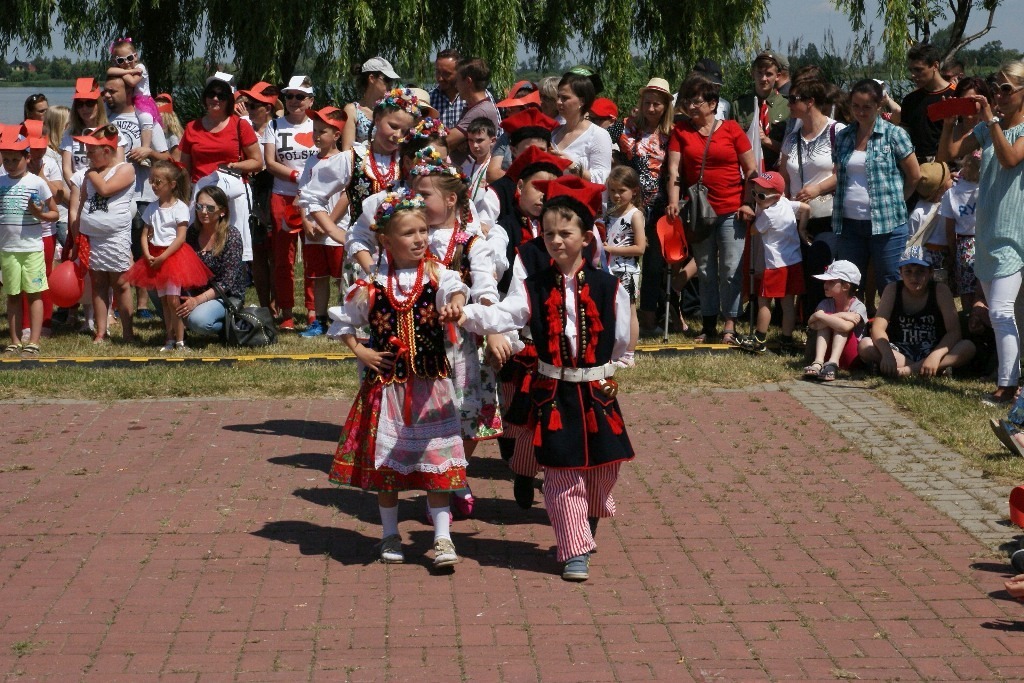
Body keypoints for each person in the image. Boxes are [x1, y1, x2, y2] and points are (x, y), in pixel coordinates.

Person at [461, 175, 633, 582]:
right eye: (549, 233)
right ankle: (574, 549)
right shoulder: (531, 287)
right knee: (560, 471)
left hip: (596, 390)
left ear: (586, 238)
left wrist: (611, 368)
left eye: (565, 233)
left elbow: (623, 337)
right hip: (554, 391)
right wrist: (465, 315)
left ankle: (587, 521)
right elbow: (503, 315)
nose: (556, 240)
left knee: (604, 469)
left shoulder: (610, 287)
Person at [327, 189, 471, 569]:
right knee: (387, 468)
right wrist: (361, 351)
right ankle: (389, 533)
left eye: (423, 230)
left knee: (438, 463)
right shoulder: (372, 284)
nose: (419, 239)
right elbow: (343, 321)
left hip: (431, 390)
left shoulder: (437, 275)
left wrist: (456, 304)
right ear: (386, 241)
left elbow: (455, 290)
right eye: (409, 233)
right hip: (387, 390)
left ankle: (442, 538)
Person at [939, 61, 1024, 405]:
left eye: (1006, 89)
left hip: (1014, 234)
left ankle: (1007, 386)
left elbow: (1009, 159)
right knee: (1010, 314)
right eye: (996, 87)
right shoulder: (990, 128)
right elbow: (948, 154)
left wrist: (990, 120)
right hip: (986, 231)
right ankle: (1013, 383)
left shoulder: (1010, 129)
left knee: (1000, 311)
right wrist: (949, 124)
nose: (998, 95)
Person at [666, 73, 757, 345]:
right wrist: (673, 201)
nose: (690, 106)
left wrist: (748, 202)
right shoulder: (680, 132)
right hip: (699, 212)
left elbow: (751, 170)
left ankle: (730, 323)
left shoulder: (732, 129)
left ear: (713, 104)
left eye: (696, 101)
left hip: (732, 209)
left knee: (731, 268)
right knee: (705, 268)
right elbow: (674, 170)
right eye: (687, 101)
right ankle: (708, 324)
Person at [298, 87, 420, 274]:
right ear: (377, 119)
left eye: (404, 131)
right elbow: (312, 195)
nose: (397, 135)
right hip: (361, 253)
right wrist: (333, 231)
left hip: (403, 256)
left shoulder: (408, 161)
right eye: (393, 126)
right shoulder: (353, 158)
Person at [833, 79, 921, 296]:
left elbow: (914, 176)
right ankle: (856, 318)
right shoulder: (843, 136)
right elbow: (838, 175)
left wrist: (896, 201)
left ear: (879, 106)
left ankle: (891, 319)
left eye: (866, 107)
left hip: (887, 225)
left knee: (890, 281)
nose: (860, 112)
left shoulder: (894, 135)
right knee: (849, 282)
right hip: (849, 224)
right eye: (855, 106)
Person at [121, 161, 211, 351]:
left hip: (173, 257)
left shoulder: (180, 208)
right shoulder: (152, 208)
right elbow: (144, 234)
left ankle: (180, 340)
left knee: (173, 300)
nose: (154, 186)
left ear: (172, 184)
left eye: (158, 182)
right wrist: (147, 254)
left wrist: (163, 257)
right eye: (152, 181)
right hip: (155, 255)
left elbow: (180, 238)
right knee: (163, 301)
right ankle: (169, 338)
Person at [103, 74, 172, 318]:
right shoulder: (105, 118)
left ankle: (142, 305)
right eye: (105, 91)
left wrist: (148, 152)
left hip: (143, 194)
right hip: (113, 194)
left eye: (112, 91)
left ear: (129, 92)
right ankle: (115, 304)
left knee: (142, 248)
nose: (107, 95)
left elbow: (167, 157)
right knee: (116, 250)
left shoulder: (146, 118)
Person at [778, 77, 845, 320]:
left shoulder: (838, 132)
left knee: (820, 264)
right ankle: (802, 320)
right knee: (800, 268)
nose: (788, 104)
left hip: (827, 215)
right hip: (795, 217)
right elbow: (783, 177)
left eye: (793, 99)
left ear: (810, 102)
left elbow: (846, 172)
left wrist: (818, 188)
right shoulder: (791, 137)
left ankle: (820, 320)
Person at [179, 74, 263, 263]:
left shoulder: (240, 125)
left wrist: (236, 166)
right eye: (211, 94)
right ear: (205, 98)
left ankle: (234, 279)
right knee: (201, 247)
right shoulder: (192, 127)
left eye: (221, 95)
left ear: (229, 100)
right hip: (201, 194)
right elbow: (184, 169)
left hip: (232, 194)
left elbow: (257, 162)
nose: (215, 99)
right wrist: (183, 199)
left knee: (232, 248)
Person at [66, 124, 137, 344]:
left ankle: (127, 332)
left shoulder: (125, 169)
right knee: (98, 284)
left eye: (91, 152)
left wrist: (90, 174)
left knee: (120, 284)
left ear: (107, 150)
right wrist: (77, 236)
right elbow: (83, 202)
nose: (87, 157)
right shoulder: (92, 174)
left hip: (115, 237)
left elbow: (105, 190)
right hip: (92, 236)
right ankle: (101, 331)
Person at [858, 246, 975, 377]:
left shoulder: (941, 291)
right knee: (865, 345)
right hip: (899, 351)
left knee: (967, 347)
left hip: (932, 349)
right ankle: (927, 369)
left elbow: (954, 332)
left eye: (920, 272)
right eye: (908, 272)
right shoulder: (892, 290)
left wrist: (935, 355)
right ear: (900, 272)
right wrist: (887, 354)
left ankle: (906, 371)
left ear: (930, 272)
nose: (914, 277)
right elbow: (878, 328)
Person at [618, 77, 675, 336]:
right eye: (647, 103)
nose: (651, 108)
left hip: (659, 206)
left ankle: (649, 320)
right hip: (629, 205)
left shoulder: (672, 133)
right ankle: (622, 316)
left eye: (657, 104)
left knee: (653, 265)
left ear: (666, 106)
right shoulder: (627, 126)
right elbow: (602, 135)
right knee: (625, 262)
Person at [263, 76, 318, 331]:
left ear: (311, 100)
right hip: (282, 196)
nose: (294, 101)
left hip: (313, 197)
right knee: (283, 258)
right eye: (289, 96)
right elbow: (270, 163)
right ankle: (286, 311)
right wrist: (297, 176)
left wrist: (308, 184)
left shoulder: (317, 126)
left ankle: (312, 309)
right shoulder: (274, 125)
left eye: (300, 96)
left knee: (312, 255)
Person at [0, 125, 59, 358]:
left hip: (32, 248)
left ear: (27, 158)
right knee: (13, 295)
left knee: (34, 294)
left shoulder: (37, 183)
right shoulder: (0, 182)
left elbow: (54, 213)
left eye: (16, 159)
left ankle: (33, 341)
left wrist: (39, 214)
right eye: (6, 160)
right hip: (8, 249)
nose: (11, 164)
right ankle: (15, 341)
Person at [735, 171, 808, 354]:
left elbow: (753, 230)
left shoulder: (768, 215)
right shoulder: (786, 203)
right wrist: (802, 229)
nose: (756, 199)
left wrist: (755, 215)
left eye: (760, 196)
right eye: (754, 193)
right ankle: (786, 340)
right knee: (788, 304)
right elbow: (806, 208)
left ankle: (759, 339)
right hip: (794, 262)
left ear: (775, 196)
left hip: (775, 265)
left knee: (764, 302)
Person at [296, 106, 348, 338]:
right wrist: (306, 221)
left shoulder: (345, 160)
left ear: (336, 135)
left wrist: (329, 223)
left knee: (341, 277)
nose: (316, 135)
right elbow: (303, 194)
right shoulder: (310, 162)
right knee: (318, 277)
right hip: (313, 230)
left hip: (336, 229)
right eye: (314, 130)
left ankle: (345, 319)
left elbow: (347, 196)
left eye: (322, 131)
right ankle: (319, 320)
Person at [176, 186, 247, 337]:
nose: (203, 212)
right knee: (158, 288)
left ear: (223, 211)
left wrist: (196, 301)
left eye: (209, 208)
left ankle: (231, 327)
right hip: (195, 290)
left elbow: (226, 283)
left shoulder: (232, 236)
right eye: (199, 207)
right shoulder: (192, 232)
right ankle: (179, 326)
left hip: (224, 296)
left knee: (198, 321)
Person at [236, 81, 279, 313]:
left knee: (275, 253)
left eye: (253, 105)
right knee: (257, 252)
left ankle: (276, 303)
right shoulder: (242, 128)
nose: (248, 109)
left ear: (268, 108)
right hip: (249, 190)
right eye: (247, 105)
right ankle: (265, 305)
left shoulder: (278, 129)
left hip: (271, 189)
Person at [602, 166, 646, 366]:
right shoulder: (609, 213)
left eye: (621, 190)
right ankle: (614, 350)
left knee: (629, 311)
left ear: (634, 191)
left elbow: (640, 248)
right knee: (611, 311)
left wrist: (611, 249)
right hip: (609, 269)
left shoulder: (635, 215)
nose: (616, 195)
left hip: (627, 271)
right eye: (612, 190)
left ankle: (629, 354)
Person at [804, 260, 868, 382]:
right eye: (825, 281)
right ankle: (818, 362)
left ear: (846, 286)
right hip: (825, 352)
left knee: (833, 322)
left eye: (831, 281)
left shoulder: (859, 306)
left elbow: (844, 327)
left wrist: (821, 316)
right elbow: (812, 323)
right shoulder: (825, 303)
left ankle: (833, 363)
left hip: (851, 357)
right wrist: (841, 315)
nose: (825, 284)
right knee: (829, 321)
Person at [550, 71, 612, 184]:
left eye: (565, 98)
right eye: (558, 97)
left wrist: (572, 166)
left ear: (582, 101)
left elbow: (602, 179)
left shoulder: (598, 135)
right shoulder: (554, 133)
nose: (558, 102)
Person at [730, 51, 789, 169]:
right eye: (759, 73)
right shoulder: (739, 105)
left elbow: (793, 150)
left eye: (769, 74)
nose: (763, 78)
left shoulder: (787, 106)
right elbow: (731, 144)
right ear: (753, 74)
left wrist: (767, 141)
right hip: (748, 171)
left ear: (777, 76)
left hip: (777, 172)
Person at [106, 37, 160, 164]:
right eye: (121, 60)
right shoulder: (130, 69)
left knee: (146, 119)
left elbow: (132, 81)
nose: (126, 62)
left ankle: (145, 149)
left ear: (135, 56)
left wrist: (123, 72)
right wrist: (130, 71)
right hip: (133, 100)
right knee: (104, 112)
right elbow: (109, 71)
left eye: (129, 58)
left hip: (143, 100)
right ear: (116, 61)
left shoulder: (140, 67)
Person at [897, 43, 954, 163]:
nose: (913, 75)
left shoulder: (955, 95)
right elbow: (904, 138)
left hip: (947, 164)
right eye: (911, 70)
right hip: (916, 164)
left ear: (935, 66)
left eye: (918, 70)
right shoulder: (910, 100)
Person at [940, 150, 980, 308]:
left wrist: (952, 251)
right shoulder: (987, 190)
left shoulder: (951, 194)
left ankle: (968, 316)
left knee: (966, 289)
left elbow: (949, 231)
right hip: (985, 242)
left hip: (964, 246)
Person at [446, 57, 502, 165]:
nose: (456, 86)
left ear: (468, 81)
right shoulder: (474, 108)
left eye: (457, 80)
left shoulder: (480, 111)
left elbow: (447, 141)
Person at [342, 57, 400, 150]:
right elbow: (347, 150)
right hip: (361, 159)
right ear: (372, 78)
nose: (391, 85)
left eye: (392, 81)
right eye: (387, 80)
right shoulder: (352, 110)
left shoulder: (392, 109)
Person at [430, 49, 465, 130]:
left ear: (459, 73)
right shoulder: (430, 99)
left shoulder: (473, 97)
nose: (440, 78)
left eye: (446, 73)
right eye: (438, 72)